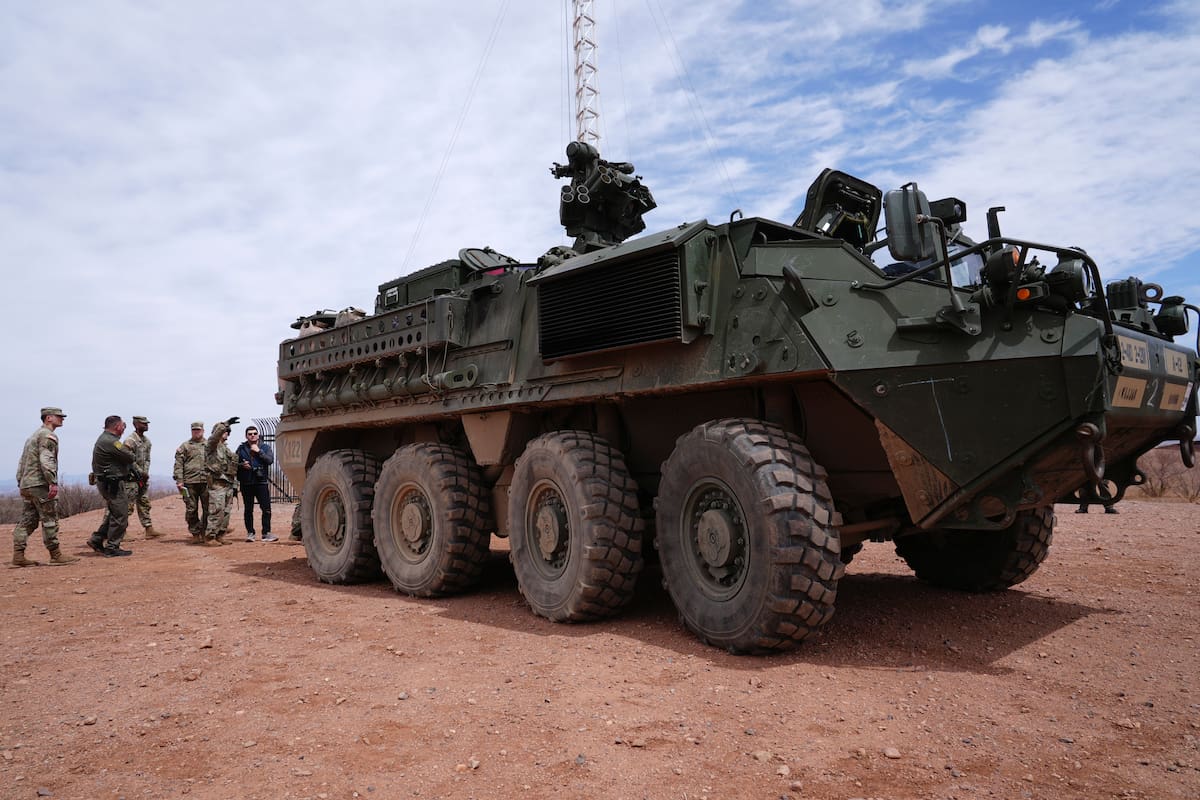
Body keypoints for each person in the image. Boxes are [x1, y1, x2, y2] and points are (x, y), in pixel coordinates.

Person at [10, 407, 79, 567]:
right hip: (40, 484)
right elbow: (46, 459)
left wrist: (21, 482)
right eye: (58, 416)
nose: (62, 419)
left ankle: (18, 556)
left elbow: (22, 462)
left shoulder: (32, 436)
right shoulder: (48, 436)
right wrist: (52, 482)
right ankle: (55, 555)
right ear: (48, 418)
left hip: (27, 484)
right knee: (50, 519)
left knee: (28, 520)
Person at [88, 415, 137, 557]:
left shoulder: (105, 439)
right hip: (112, 483)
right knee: (121, 515)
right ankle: (112, 546)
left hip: (107, 482)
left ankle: (97, 539)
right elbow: (129, 456)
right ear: (117, 426)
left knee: (115, 513)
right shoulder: (111, 441)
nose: (124, 428)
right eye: (123, 426)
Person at [203, 418, 239, 547]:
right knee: (216, 509)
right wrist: (225, 424)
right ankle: (210, 536)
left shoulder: (226, 449)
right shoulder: (211, 445)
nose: (227, 433)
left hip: (228, 483)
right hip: (217, 483)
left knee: (226, 511)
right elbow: (214, 437)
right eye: (225, 431)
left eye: (228, 431)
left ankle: (220, 535)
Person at [236, 425, 277, 542]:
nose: (252, 435)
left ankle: (266, 533)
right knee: (248, 509)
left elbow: (270, 460)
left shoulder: (265, 447)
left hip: (261, 482)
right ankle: (250, 533)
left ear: (258, 435)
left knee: (266, 508)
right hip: (247, 482)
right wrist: (242, 465)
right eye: (250, 434)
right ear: (246, 436)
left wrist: (259, 452)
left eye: (254, 433)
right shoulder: (241, 448)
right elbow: (234, 463)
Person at [124, 415, 160, 538]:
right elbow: (128, 460)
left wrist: (145, 474)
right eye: (143, 424)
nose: (146, 426)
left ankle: (148, 528)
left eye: (147, 424)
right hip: (131, 479)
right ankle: (121, 531)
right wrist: (140, 473)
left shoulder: (147, 441)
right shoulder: (130, 440)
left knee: (144, 503)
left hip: (143, 479)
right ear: (136, 424)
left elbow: (148, 460)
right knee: (127, 506)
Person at [174, 422, 211, 541]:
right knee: (191, 508)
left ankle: (204, 531)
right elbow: (178, 465)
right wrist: (179, 481)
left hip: (206, 482)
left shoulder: (209, 445)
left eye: (198, 430)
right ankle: (195, 532)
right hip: (189, 483)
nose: (196, 432)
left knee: (208, 508)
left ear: (203, 431)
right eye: (194, 430)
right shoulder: (185, 446)